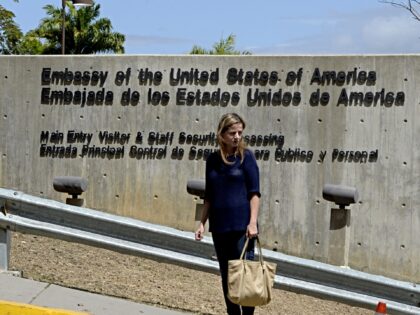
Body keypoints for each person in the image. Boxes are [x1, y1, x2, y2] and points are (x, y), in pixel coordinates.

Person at [195, 113, 260, 315]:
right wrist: (201, 223)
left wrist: (253, 223)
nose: (237, 137)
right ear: (222, 134)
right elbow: (209, 196)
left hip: (242, 228)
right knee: (227, 276)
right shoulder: (212, 160)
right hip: (220, 227)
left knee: (244, 276)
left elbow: (254, 193)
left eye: (240, 132)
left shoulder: (246, 157)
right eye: (232, 133)